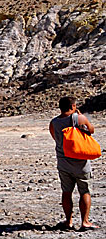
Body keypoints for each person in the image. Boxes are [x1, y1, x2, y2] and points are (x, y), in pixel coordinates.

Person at [49, 96, 98, 230]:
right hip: (80, 162)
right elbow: (91, 130)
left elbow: (56, 139)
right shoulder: (78, 118)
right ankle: (85, 222)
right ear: (73, 106)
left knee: (66, 192)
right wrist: (81, 117)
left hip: (63, 162)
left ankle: (68, 221)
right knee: (84, 191)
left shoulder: (53, 123)